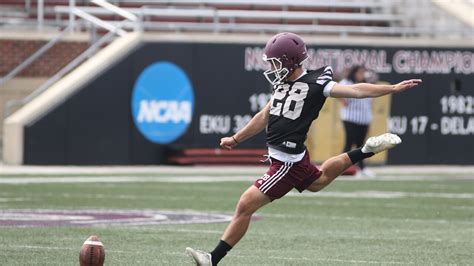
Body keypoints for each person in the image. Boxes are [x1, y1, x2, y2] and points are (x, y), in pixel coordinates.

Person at [185, 32, 421, 266]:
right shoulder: (282, 85)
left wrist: (391, 89)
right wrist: (236, 138)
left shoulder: (317, 83)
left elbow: (356, 90)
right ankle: (366, 150)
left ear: (289, 60)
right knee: (319, 181)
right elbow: (263, 116)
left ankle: (212, 259)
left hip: (286, 160)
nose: (272, 67)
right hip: (292, 157)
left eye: (275, 62)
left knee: (246, 204)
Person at [339, 65, 374, 177]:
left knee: (362, 145)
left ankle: (361, 168)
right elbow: (338, 94)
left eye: (363, 73)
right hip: (350, 118)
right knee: (349, 143)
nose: (362, 75)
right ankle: (341, 168)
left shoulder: (366, 83)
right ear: (354, 73)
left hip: (364, 119)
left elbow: (370, 100)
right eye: (360, 72)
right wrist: (343, 100)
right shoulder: (346, 82)